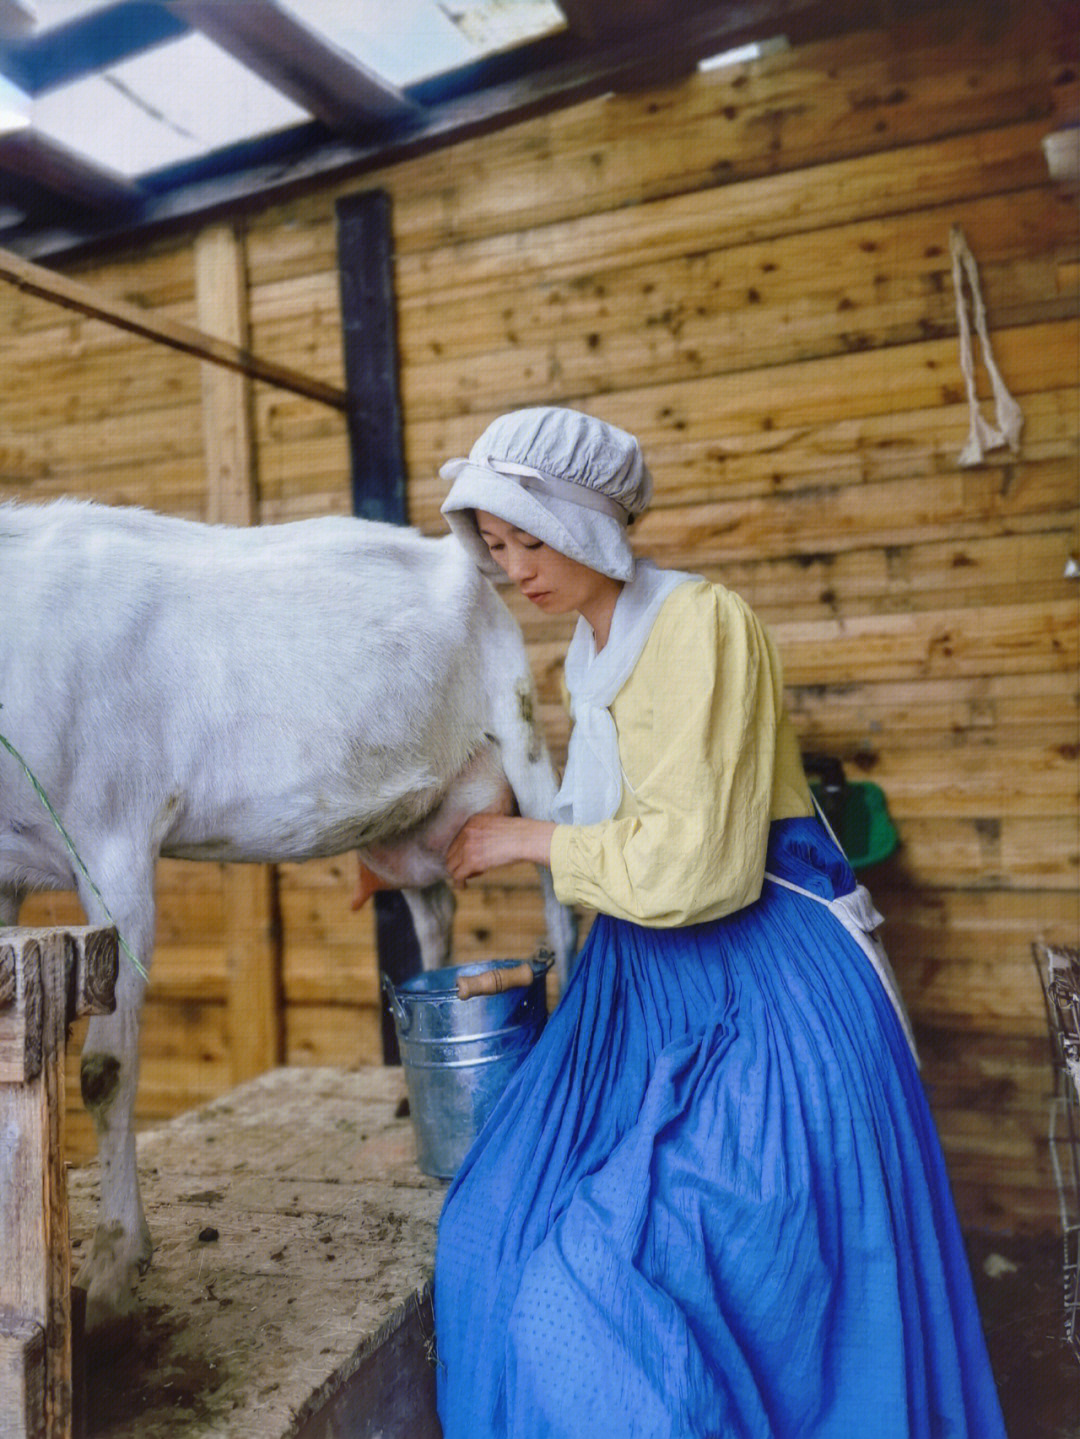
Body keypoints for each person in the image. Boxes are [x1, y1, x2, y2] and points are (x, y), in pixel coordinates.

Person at [434, 406, 1006, 1438]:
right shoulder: (585, 647)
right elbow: (603, 821)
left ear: (591, 521)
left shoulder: (702, 623)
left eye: (531, 537)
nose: (516, 567)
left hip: (763, 978)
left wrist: (524, 841)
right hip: (644, 982)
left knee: (631, 1272)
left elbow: (701, 861)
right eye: (499, 546)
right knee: (489, 1224)